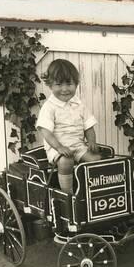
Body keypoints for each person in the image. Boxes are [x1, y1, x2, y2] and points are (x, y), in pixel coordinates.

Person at [36, 59, 101, 193]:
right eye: (59, 84)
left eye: (69, 84)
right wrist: (59, 147)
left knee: (96, 160)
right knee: (66, 162)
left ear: (76, 84)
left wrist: (92, 141)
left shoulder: (79, 104)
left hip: (78, 146)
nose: (65, 89)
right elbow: (46, 132)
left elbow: (88, 126)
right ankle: (68, 194)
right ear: (50, 85)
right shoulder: (49, 107)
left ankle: (91, 192)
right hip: (57, 148)